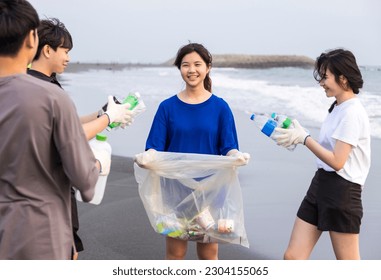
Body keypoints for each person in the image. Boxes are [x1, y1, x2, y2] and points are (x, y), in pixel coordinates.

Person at [0, 0, 108, 259]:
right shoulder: (51, 97)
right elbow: (84, 178)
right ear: (31, 39)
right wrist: (98, 164)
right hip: (40, 233)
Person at [27, 17, 134, 259]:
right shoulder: (44, 89)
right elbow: (69, 137)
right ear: (47, 50)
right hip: (47, 195)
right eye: (65, 51)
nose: (68, 57)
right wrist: (107, 118)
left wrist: (100, 113)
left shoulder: (39, 83)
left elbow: (67, 124)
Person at [137, 43, 249, 260]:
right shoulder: (167, 107)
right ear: (179, 69)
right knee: (175, 253)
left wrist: (236, 156)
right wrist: (147, 157)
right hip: (175, 191)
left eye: (197, 64)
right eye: (186, 65)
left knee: (208, 253)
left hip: (211, 190)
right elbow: (154, 146)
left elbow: (228, 147)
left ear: (208, 68)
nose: (191, 70)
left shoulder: (220, 107)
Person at [274, 49, 371, 260]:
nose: (322, 82)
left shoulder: (352, 112)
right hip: (320, 184)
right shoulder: (337, 107)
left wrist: (305, 138)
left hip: (343, 191)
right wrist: (296, 133)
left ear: (343, 79)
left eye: (325, 77)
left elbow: (338, 161)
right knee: (292, 257)